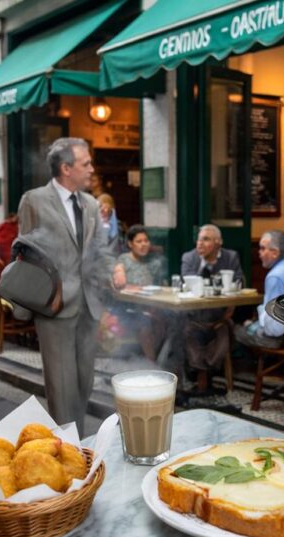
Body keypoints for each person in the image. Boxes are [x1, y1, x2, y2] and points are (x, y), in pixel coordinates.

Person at [17, 137, 111, 432]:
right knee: (61, 384)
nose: (92, 169)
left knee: (84, 381)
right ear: (66, 168)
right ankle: (66, 443)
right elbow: (25, 253)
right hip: (54, 305)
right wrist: (34, 302)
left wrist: (113, 271)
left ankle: (76, 439)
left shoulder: (91, 204)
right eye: (86, 164)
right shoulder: (34, 200)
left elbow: (100, 250)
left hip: (88, 304)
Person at [180, 224, 242, 391]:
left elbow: (239, 282)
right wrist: (202, 265)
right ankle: (200, 373)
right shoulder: (189, 257)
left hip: (219, 316)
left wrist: (227, 314)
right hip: (195, 316)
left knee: (224, 332)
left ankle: (206, 371)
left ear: (218, 242)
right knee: (186, 331)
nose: (199, 243)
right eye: (199, 239)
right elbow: (188, 282)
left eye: (206, 239)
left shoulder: (231, 257)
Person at [235, 230, 284, 349]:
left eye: (263, 248)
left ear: (275, 253)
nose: (259, 252)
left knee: (237, 331)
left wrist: (255, 324)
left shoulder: (275, 276)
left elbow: (274, 329)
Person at [112, 224, 167, 360]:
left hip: (149, 306)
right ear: (130, 244)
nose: (143, 244)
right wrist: (132, 287)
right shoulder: (124, 260)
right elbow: (118, 285)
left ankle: (157, 359)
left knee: (167, 321)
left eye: (146, 241)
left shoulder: (153, 262)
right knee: (144, 323)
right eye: (139, 241)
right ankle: (152, 364)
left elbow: (160, 286)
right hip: (126, 309)